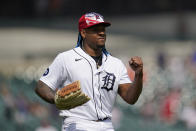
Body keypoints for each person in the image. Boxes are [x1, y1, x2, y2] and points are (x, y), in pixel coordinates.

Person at [35, 12, 143, 131]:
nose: (101, 33)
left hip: (106, 125)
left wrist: (138, 74)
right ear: (83, 33)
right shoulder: (66, 58)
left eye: (103, 29)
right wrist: (55, 99)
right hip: (77, 123)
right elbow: (41, 86)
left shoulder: (115, 63)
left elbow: (130, 98)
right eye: (96, 30)